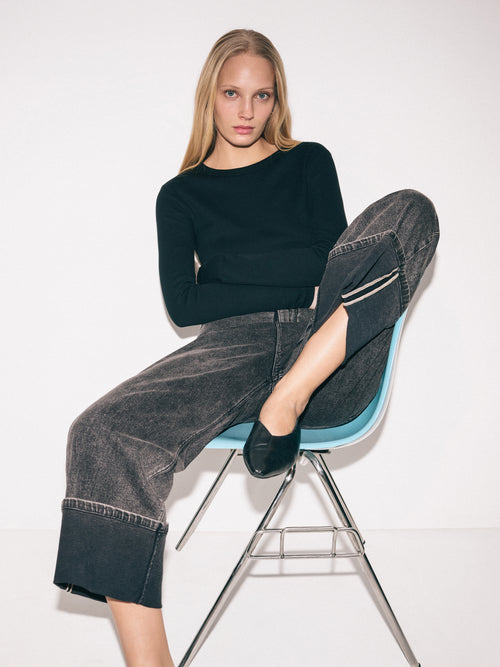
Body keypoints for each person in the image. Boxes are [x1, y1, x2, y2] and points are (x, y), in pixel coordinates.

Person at [53, 28, 439, 666]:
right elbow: (185, 305)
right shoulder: (180, 196)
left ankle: (286, 399)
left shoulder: (309, 162)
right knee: (98, 432)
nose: (246, 111)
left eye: (262, 96)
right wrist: (296, 275)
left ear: (277, 100)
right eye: (232, 93)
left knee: (411, 208)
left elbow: (334, 268)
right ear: (210, 96)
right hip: (233, 350)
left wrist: (232, 275)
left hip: (327, 349)